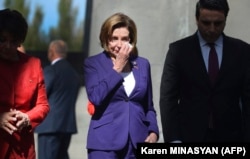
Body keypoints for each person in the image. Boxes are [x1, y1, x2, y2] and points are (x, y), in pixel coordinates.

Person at [160, 0, 250, 143]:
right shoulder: (178, 51)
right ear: (197, 19)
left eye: (218, 23)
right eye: (206, 23)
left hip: (231, 138)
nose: (212, 29)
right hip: (189, 138)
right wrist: (174, 140)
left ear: (226, 19)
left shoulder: (242, 51)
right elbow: (168, 99)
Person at [84, 12, 159, 158]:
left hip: (138, 141)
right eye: (114, 39)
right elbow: (95, 97)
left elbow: (148, 106)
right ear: (106, 39)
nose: (119, 44)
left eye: (124, 39)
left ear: (131, 40)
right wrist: (117, 67)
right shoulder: (93, 64)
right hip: (104, 143)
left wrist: (154, 131)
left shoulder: (143, 64)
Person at [0, 9, 50, 159]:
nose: (8, 46)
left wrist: (28, 117)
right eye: (2, 39)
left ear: (20, 41)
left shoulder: (33, 65)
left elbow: (43, 105)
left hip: (23, 150)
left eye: (14, 41)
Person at [35, 40, 80, 159]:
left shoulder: (51, 70)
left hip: (49, 126)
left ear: (51, 52)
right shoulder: (74, 73)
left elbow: (41, 94)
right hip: (67, 126)